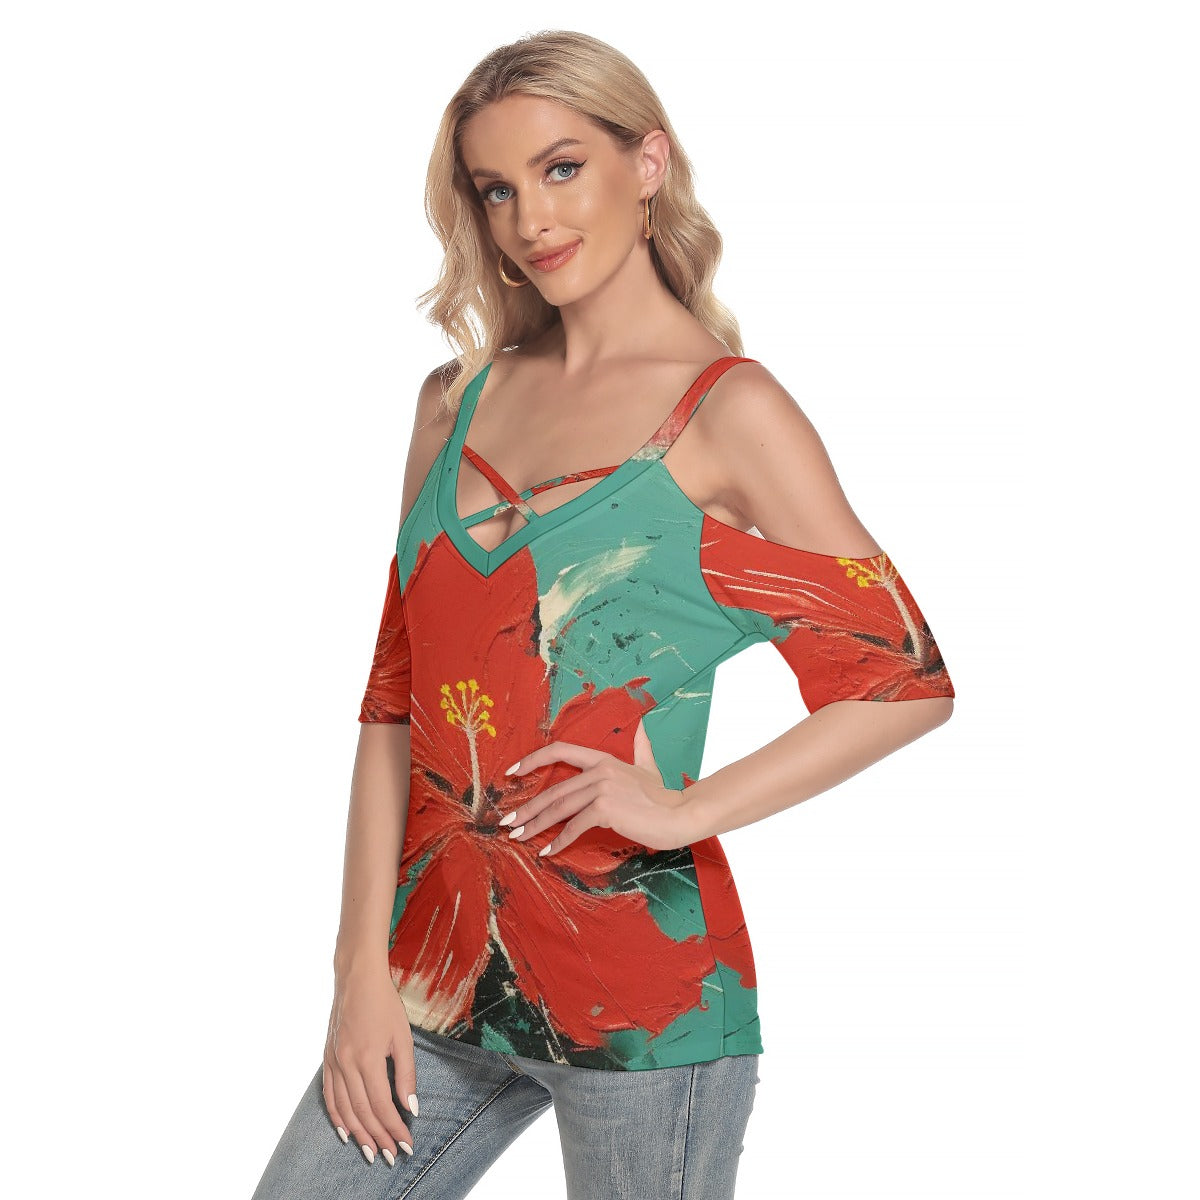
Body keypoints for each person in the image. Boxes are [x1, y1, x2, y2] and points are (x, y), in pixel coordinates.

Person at [250, 28, 956, 1200]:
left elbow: (902, 682)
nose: (531, 219)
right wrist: (358, 973)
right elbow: (393, 706)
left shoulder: (730, 415)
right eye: (497, 189)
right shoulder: (454, 402)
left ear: (649, 164)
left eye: (563, 168)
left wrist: (684, 809)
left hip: (643, 997)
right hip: (432, 979)